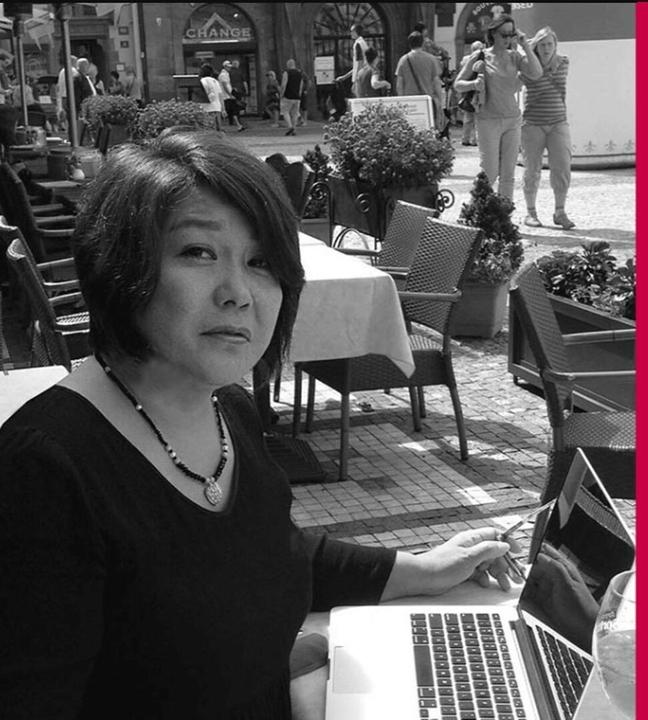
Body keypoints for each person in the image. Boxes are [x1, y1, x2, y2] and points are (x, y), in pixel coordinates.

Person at [0, 131, 518, 717]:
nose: (238, 294)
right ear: (120, 265)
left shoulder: (230, 411)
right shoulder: (42, 472)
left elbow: (268, 555)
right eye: (198, 252)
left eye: (261, 262)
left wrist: (423, 568)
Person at [452, 10, 543, 200]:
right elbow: (457, 84)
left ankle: (504, 214)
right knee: (490, 172)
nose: (508, 39)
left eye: (511, 34)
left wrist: (525, 46)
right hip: (487, 120)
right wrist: (473, 84)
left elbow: (536, 73)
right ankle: (478, 208)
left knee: (508, 174)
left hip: (512, 120)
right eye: (504, 34)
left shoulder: (515, 57)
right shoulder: (480, 56)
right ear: (493, 34)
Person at [520, 26, 575, 229]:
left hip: (558, 122)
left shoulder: (563, 62)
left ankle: (560, 211)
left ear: (555, 45)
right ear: (536, 46)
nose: (546, 48)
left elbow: (544, 82)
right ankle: (531, 212)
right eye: (542, 45)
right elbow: (535, 79)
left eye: (550, 44)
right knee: (532, 170)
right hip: (533, 123)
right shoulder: (527, 66)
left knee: (562, 167)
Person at [395, 31, 445, 128]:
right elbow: (436, 83)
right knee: (429, 128)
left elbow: (399, 85)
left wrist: (401, 102)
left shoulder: (403, 60)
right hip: (427, 101)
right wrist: (439, 102)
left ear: (409, 44)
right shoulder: (431, 59)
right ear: (422, 43)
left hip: (410, 102)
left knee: (411, 129)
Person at [458, 40, 484, 146]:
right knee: (478, 116)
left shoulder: (465, 59)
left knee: (468, 116)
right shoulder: (483, 59)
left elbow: (461, 74)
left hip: (467, 89)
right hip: (478, 89)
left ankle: (465, 138)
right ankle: (475, 140)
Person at [280, 59, 306, 136]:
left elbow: (284, 85)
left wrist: (281, 94)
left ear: (288, 65)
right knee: (295, 114)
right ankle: (294, 129)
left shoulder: (286, 73)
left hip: (288, 96)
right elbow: (301, 85)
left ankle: (290, 126)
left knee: (285, 112)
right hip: (297, 97)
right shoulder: (300, 73)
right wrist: (299, 94)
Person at [219, 60, 244, 131]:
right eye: (228, 67)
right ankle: (237, 125)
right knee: (228, 111)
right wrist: (230, 94)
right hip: (226, 96)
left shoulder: (226, 74)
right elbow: (224, 86)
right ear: (225, 67)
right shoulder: (223, 75)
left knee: (232, 111)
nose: (230, 68)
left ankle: (238, 125)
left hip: (228, 96)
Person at [198, 63, 224, 132]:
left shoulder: (202, 81)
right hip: (217, 107)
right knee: (218, 129)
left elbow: (202, 93)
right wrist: (223, 109)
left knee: (209, 130)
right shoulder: (215, 81)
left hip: (206, 107)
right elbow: (220, 95)